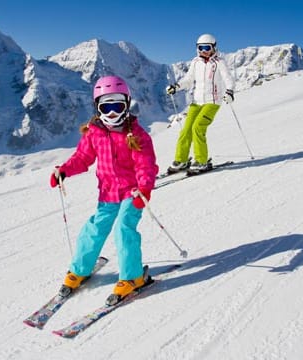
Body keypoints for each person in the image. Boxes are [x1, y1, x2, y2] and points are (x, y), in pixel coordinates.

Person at [49, 75, 159, 305]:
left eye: (117, 106)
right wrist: (65, 170)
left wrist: (145, 188)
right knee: (94, 228)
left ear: (127, 104)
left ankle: (133, 278)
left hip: (133, 193)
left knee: (123, 228)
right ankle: (79, 270)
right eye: (105, 107)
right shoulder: (94, 132)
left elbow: (145, 165)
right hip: (108, 192)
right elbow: (83, 157)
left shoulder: (137, 135)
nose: (111, 113)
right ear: (97, 107)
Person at [165, 33, 235, 174]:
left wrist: (230, 92)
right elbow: (188, 79)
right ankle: (181, 160)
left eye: (207, 47)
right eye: (201, 47)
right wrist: (176, 86)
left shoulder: (219, 62)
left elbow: (228, 79)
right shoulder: (196, 62)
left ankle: (201, 161)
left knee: (198, 127)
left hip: (212, 102)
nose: (204, 51)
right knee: (186, 130)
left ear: (214, 48)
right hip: (196, 102)